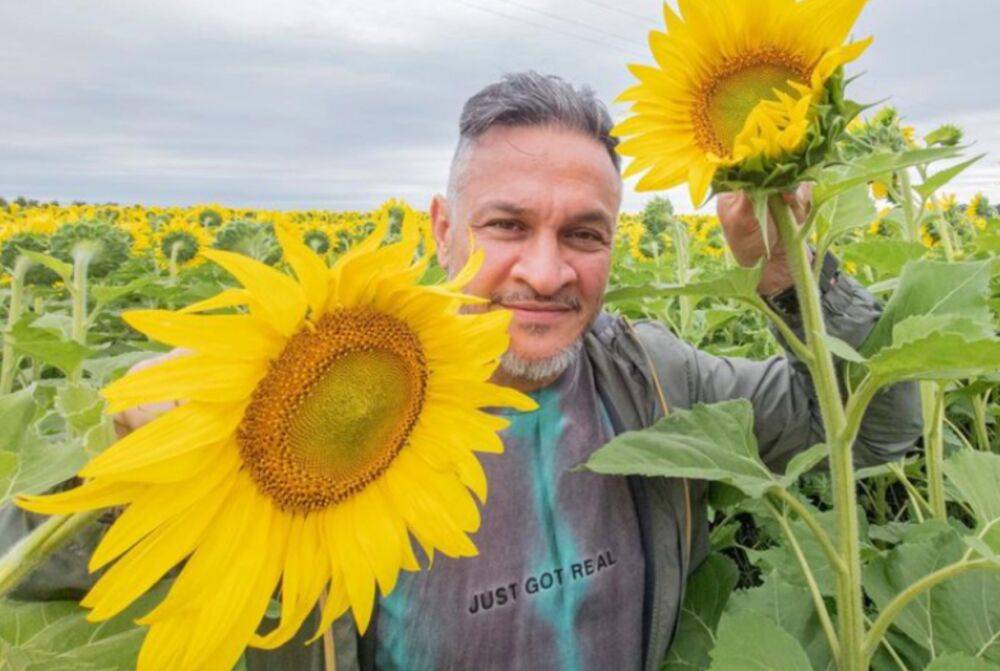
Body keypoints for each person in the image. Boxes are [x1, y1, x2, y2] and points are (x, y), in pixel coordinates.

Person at [0, 72, 922, 671]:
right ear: (442, 229)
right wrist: (126, 469)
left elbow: (871, 428)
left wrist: (788, 274)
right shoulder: (313, 403)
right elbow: (31, 561)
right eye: (508, 225)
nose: (548, 271)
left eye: (585, 235)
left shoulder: (653, 378)